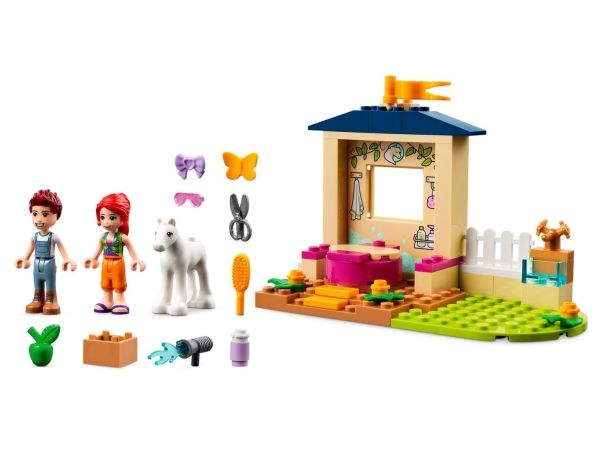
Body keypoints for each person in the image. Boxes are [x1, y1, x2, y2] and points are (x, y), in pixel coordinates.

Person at [16, 189, 77, 314]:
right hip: (37, 263)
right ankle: (37, 298)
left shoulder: (53, 237)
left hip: (49, 263)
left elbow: (62, 249)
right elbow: (30, 249)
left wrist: (67, 259)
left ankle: (51, 300)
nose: (39, 219)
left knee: (50, 282)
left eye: (44, 214)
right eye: (35, 214)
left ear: (56, 215)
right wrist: (24, 258)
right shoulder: (34, 236)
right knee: (37, 282)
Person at [84, 193, 146, 314]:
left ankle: (120, 300)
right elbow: (98, 249)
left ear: (122, 220)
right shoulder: (103, 237)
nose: (106, 222)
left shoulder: (122, 237)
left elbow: (131, 250)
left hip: (118, 263)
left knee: (119, 282)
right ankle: (107, 300)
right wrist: (92, 258)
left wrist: (136, 260)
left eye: (111, 218)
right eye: (103, 217)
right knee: (105, 282)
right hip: (105, 262)